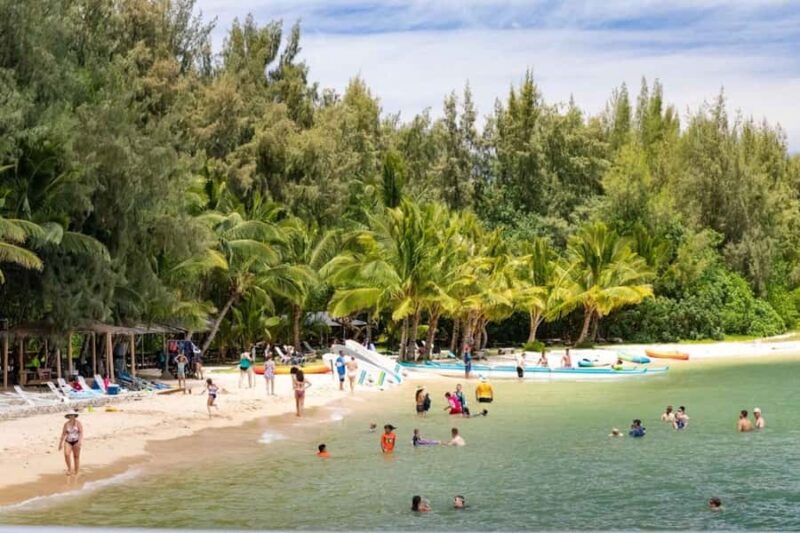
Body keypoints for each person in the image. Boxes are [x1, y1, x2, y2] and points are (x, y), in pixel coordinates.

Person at [58, 410, 83, 475]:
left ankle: (76, 471)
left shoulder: (78, 423)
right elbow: (63, 434)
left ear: (75, 416)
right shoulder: (66, 424)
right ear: (68, 416)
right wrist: (60, 444)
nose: (71, 416)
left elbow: (81, 432)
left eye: (72, 415)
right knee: (66, 454)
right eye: (70, 415)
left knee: (76, 456)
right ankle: (69, 469)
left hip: (76, 441)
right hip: (68, 441)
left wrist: (79, 442)